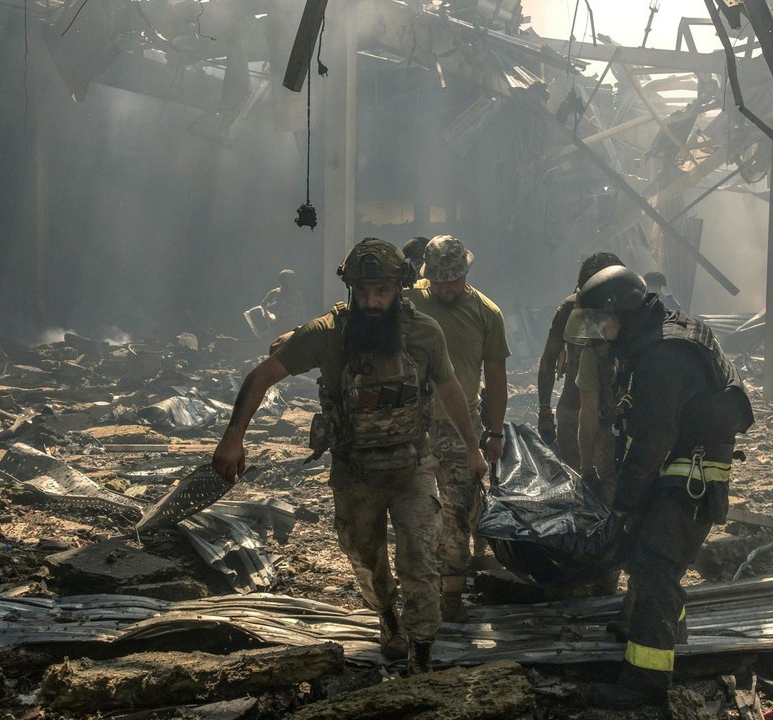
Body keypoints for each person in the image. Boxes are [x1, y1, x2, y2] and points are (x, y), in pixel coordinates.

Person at [212, 238, 487, 675]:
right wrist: (233, 437)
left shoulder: (424, 333)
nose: (372, 302)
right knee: (365, 557)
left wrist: (472, 447)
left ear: (398, 288)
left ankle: (421, 650)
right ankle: (388, 615)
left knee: (421, 560)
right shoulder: (328, 333)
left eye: (381, 291)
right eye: (363, 292)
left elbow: (450, 389)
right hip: (355, 471)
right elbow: (262, 376)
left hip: (413, 467)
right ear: (351, 290)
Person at [567, 266, 754, 709]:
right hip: (679, 469)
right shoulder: (660, 332)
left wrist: (624, 504)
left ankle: (644, 680)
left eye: (603, 322)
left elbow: (653, 439)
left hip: (688, 477)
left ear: (623, 312)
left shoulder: (662, 357)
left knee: (654, 568)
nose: (600, 333)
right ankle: (672, 635)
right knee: (654, 563)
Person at [406, 235, 509, 622]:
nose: (444, 288)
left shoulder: (486, 313)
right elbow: (358, 313)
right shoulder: (410, 301)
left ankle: (450, 596)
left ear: (465, 273)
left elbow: (496, 379)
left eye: (452, 280)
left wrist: (494, 432)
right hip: (410, 426)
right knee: (413, 513)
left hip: (460, 429)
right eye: (438, 281)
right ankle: (418, 587)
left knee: (456, 514)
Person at [536, 252, 624, 466]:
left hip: (616, 413)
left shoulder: (627, 309)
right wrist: (545, 411)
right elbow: (548, 359)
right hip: (574, 408)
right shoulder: (570, 308)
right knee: (574, 477)